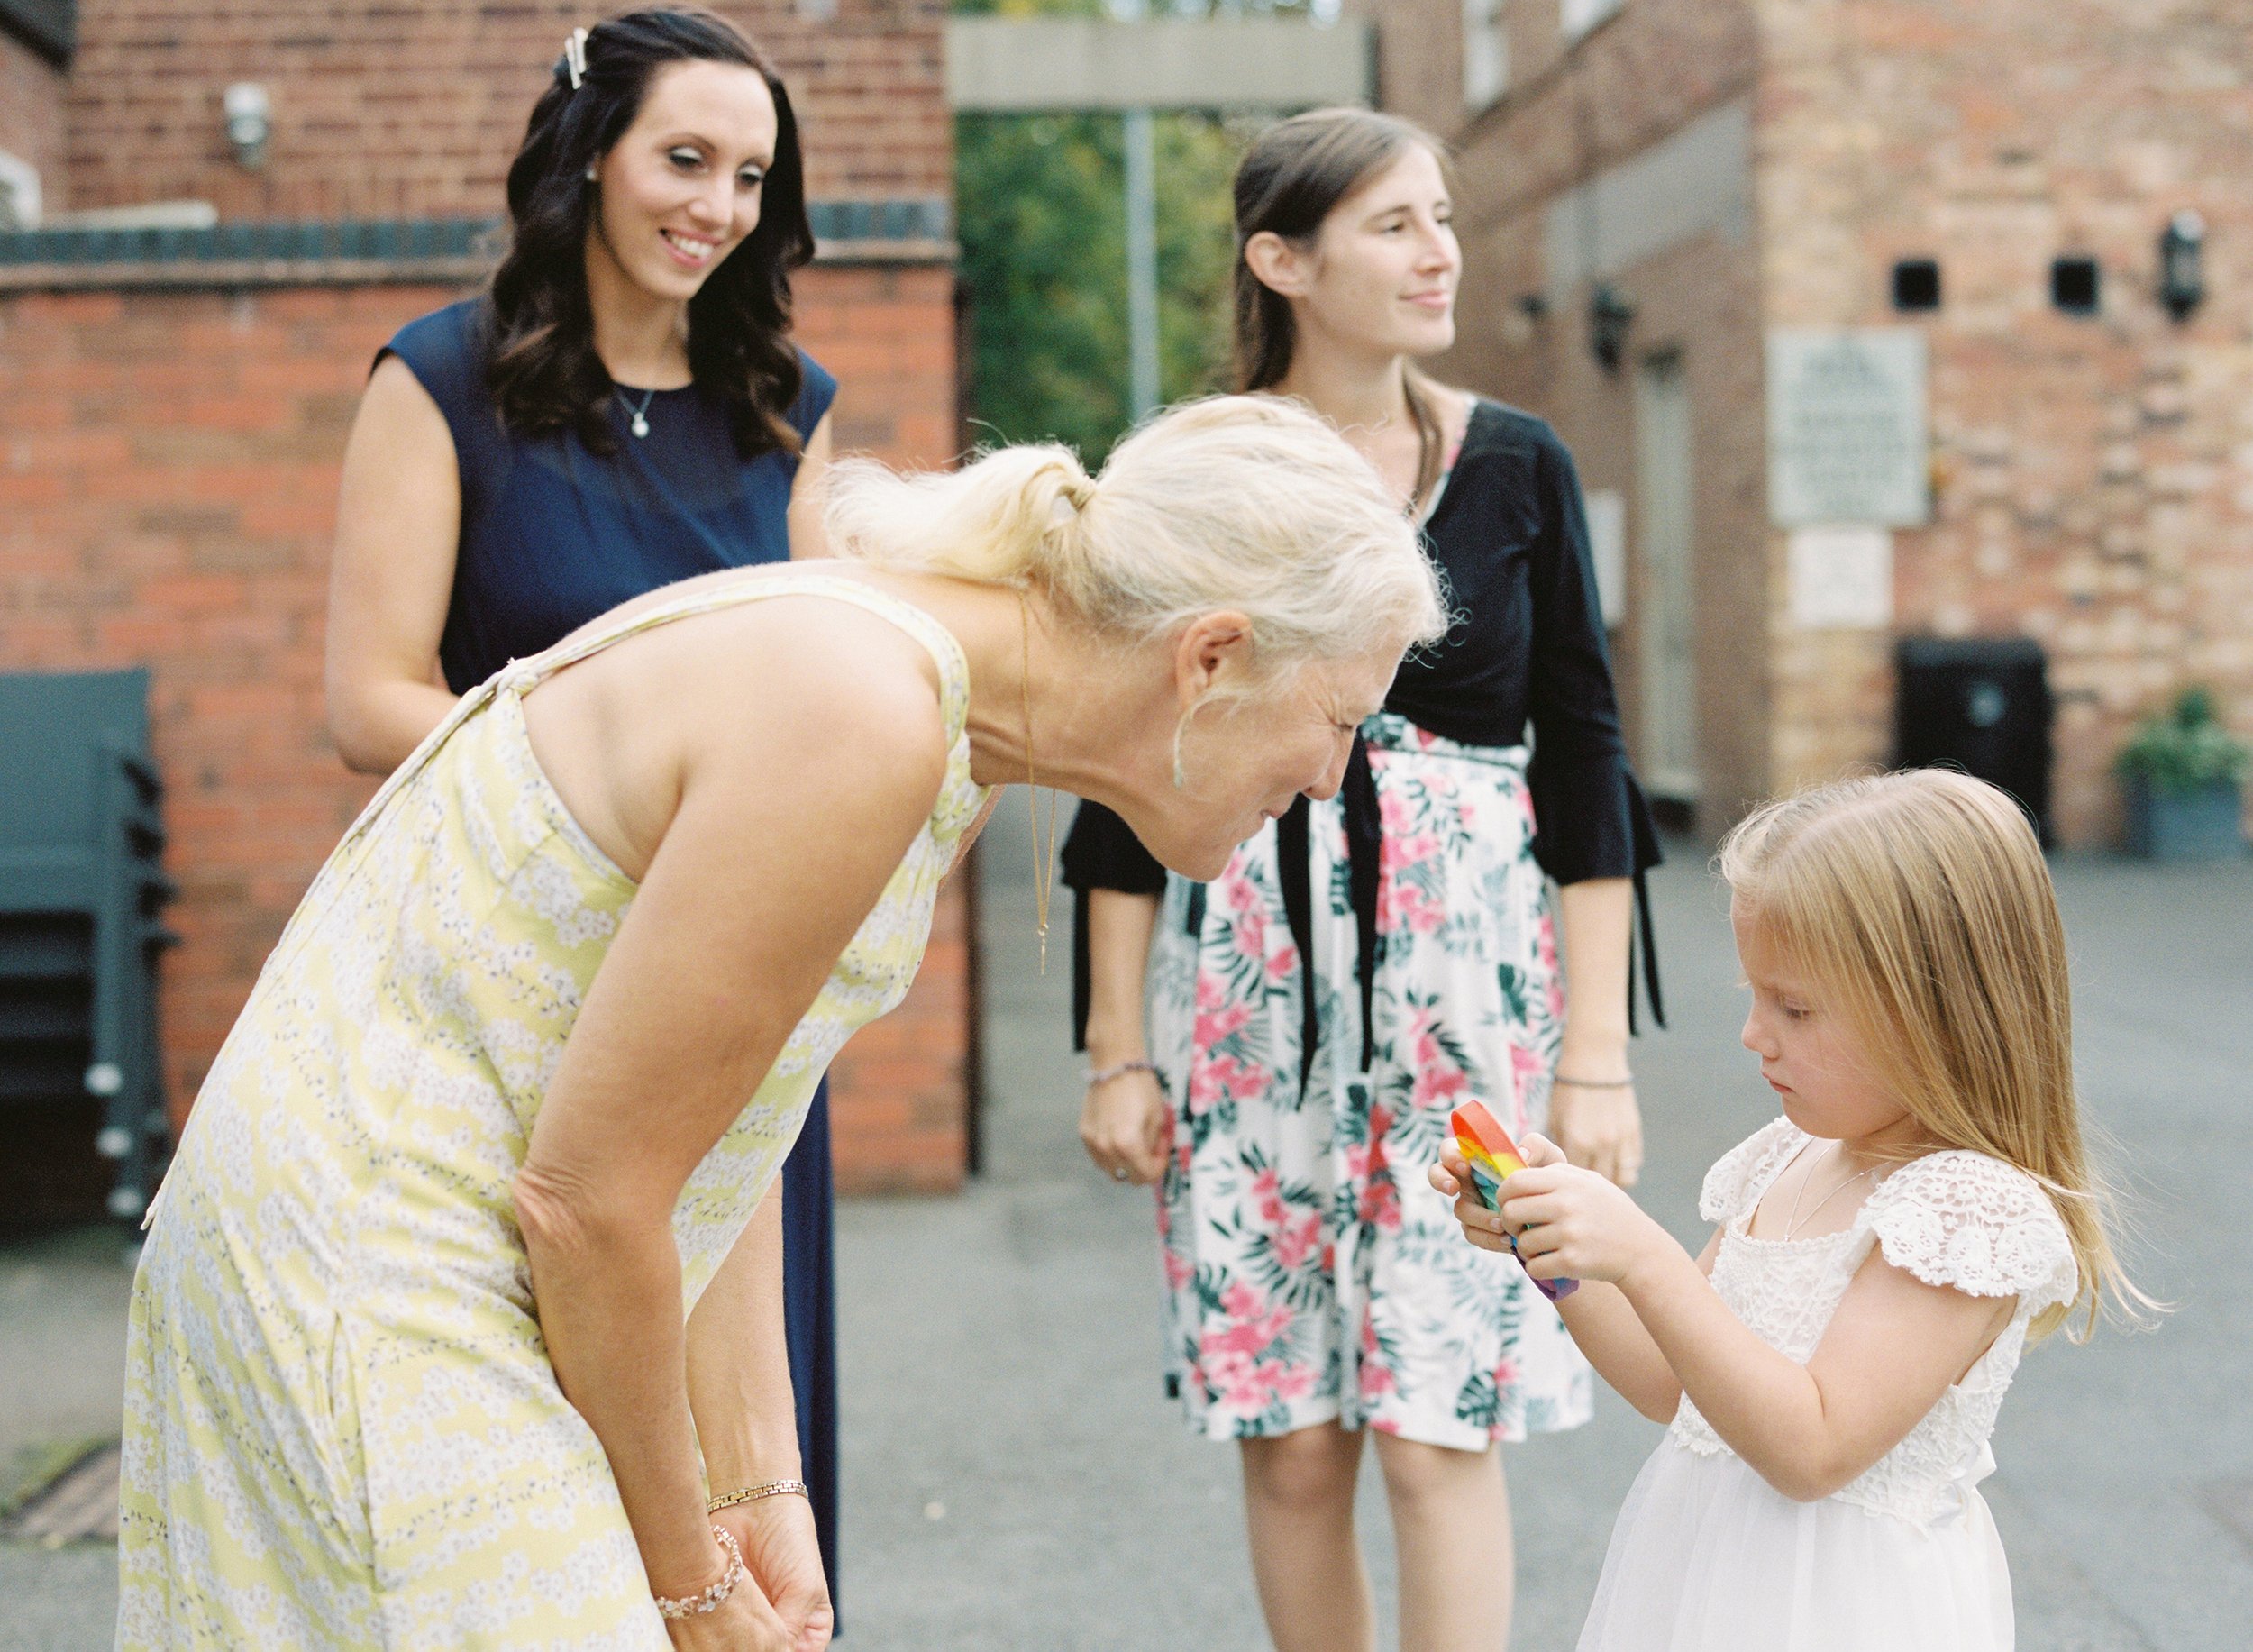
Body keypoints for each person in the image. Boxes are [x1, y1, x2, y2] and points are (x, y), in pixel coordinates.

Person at [116, 395, 1449, 1649]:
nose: (1333, 776)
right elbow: (591, 1201)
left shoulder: (950, 717)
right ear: (1209, 654)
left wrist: (756, 1480)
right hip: (363, 1260)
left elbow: (736, 1099)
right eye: (1338, 719)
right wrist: (683, 1571)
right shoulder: (863, 709)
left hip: (429, 1240)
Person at [1063, 107, 1663, 1651]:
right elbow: (1127, 769)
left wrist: (1594, 1058)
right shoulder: (1192, 473)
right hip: (1255, 989)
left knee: (1439, 1418)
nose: (1439, 250)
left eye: (1441, 217)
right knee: (1295, 1434)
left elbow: (1588, 757)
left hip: (1474, 992)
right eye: (1395, 223)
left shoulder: (1519, 463)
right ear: (1283, 257)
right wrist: (1113, 1046)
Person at [319, 7, 851, 1599]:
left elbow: (833, 696)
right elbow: (368, 699)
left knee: (751, 1466)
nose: (719, 205)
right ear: (588, 157)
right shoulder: (440, 382)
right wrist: (616, 806)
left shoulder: (789, 405)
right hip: (514, 990)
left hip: (735, 989)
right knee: (535, 1473)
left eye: (752, 175)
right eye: (685, 158)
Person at [1437, 771, 2152, 1651]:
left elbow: (1813, 1449)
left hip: (1848, 1611)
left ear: (1936, 1012)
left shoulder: (1967, 1211)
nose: (1753, 1033)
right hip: (1711, 1579)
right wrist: (1561, 1253)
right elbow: (1675, 1387)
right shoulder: (1789, 1152)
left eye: (1795, 1007)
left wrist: (1648, 1258)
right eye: (1753, 996)